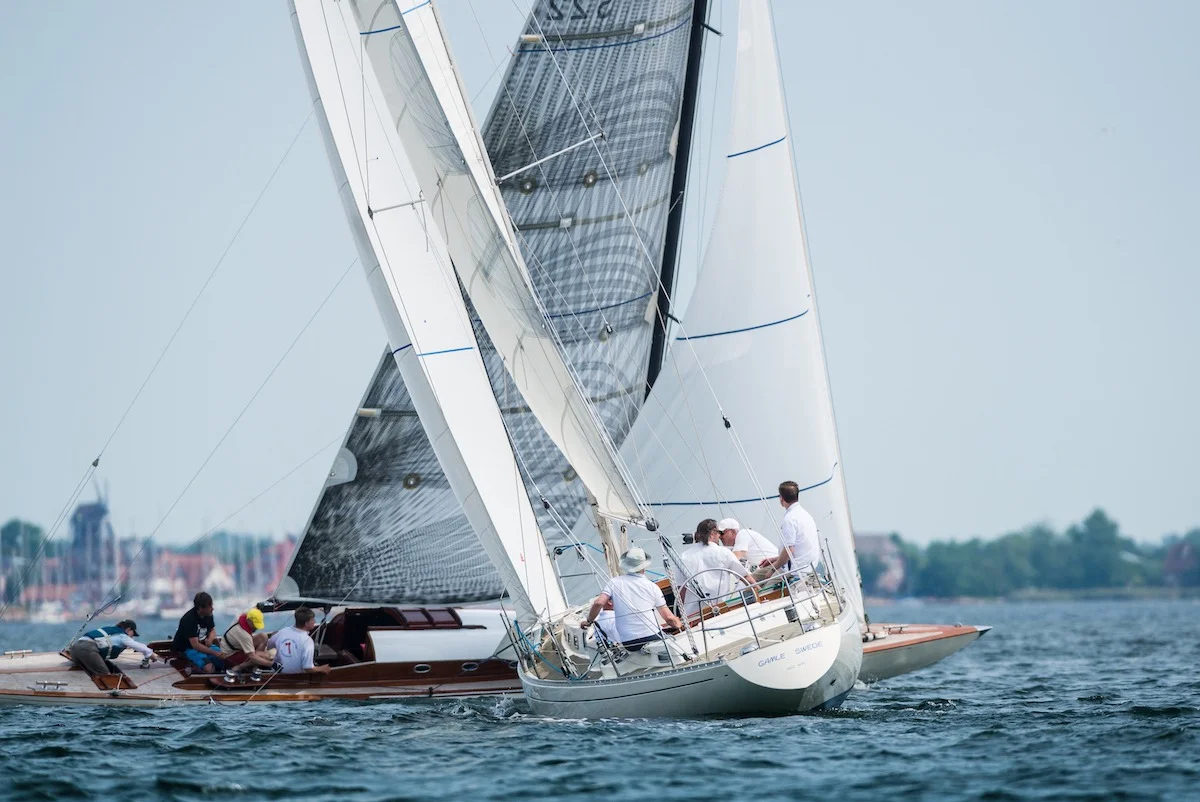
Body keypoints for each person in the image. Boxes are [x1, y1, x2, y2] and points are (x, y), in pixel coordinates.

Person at [581, 547, 681, 649]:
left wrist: (588, 621)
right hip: (652, 636)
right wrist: (678, 624)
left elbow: (598, 603)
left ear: (626, 565)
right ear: (644, 566)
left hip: (628, 642)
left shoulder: (614, 582)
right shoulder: (652, 587)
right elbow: (668, 618)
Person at [676, 519, 753, 619]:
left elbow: (680, 589)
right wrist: (760, 592)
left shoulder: (683, 556)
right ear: (712, 533)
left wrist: (681, 615)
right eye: (718, 533)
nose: (719, 536)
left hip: (693, 616)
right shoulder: (723, 552)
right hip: (721, 610)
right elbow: (745, 577)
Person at [756, 481, 822, 581]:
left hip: (795, 572)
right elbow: (795, 549)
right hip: (808, 567)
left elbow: (789, 551)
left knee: (751, 585)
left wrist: (773, 569)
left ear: (781, 498)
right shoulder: (806, 515)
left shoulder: (790, 519)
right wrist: (775, 560)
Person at [69, 619, 160, 676]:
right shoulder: (123, 636)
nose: (132, 637)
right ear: (128, 629)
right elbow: (137, 645)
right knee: (105, 675)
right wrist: (150, 654)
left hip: (75, 649)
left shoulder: (110, 630)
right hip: (87, 650)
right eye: (133, 634)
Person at [171, 591, 225, 673]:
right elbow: (195, 645)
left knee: (226, 660)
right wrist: (215, 653)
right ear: (200, 608)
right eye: (209, 606)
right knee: (209, 668)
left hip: (204, 646)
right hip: (188, 649)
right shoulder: (189, 619)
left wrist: (210, 639)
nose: (212, 608)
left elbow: (212, 630)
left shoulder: (209, 614)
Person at [267, 607, 331, 674]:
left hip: (277, 673)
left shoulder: (282, 631)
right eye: (312, 620)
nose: (314, 621)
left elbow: (269, 646)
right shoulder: (308, 641)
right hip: (296, 678)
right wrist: (321, 669)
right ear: (306, 623)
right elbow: (308, 668)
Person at [221, 607, 274, 674]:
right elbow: (252, 657)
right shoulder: (244, 635)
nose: (256, 627)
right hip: (229, 657)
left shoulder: (242, 616)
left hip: (235, 647)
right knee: (266, 656)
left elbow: (253, 608)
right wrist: (272, 664)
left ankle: (254, 664)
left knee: (263, 637)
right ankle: (239, 667)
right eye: (255, 625)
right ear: (249, 620)